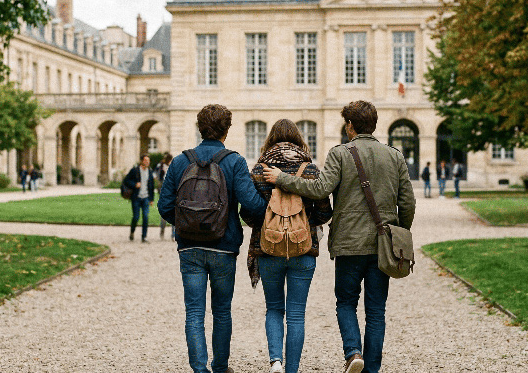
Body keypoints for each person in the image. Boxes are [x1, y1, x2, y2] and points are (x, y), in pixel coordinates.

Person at [263, 101, 415, 373]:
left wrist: (282, 179)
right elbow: (408, 202)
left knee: (346, 301)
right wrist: (400, 232)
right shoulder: (394, 156)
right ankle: (372, 369)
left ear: (350, 126)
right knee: (376, 310)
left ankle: (353, 352)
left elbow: (320, 189)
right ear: (375, 125)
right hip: (384, 243)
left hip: (349, 243)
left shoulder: (341, 153)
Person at [157, 104, 267, 373]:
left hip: (189, 246)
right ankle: (220, 367)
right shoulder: (234, 161)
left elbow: (164, 206)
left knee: (194, 312)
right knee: (222, 311)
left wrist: (187, 223)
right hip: (223, 245)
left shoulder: (181, 161)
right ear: (227, 130)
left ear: (199, 127)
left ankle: (199, 369)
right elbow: (251, 204)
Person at [248, 119, 333, 373]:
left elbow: (249, 213)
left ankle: (276, 360)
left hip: (268, 248)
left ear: (270, 140)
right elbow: (324, 212)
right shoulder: (310, 169)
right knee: (296, 313)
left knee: (274, 308)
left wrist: (266, 223)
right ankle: (292, 369)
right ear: (299, 140)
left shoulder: (260, 169)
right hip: (303, 248)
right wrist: (306, 224)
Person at [123, 155, 155, 242]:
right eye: (145, 160)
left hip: (146, 198)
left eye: (148, 160)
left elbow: (151, 186)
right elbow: (126, 180)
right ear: (141, 161)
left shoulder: (150, 171)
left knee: (145, 217)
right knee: (136, 217)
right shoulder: (135, 170)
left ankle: (144, 237)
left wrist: (151, 199)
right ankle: (132, 232)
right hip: (136, 198)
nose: (147, 162)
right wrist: (134, 184)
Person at [157, 152, 174, 240]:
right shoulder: (161, 167)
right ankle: (162, 231)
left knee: (174, 213)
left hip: (173, 193)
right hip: (164, 193)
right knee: (164, 214)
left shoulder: (174, 168)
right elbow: (159, 180)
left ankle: (173, 235)